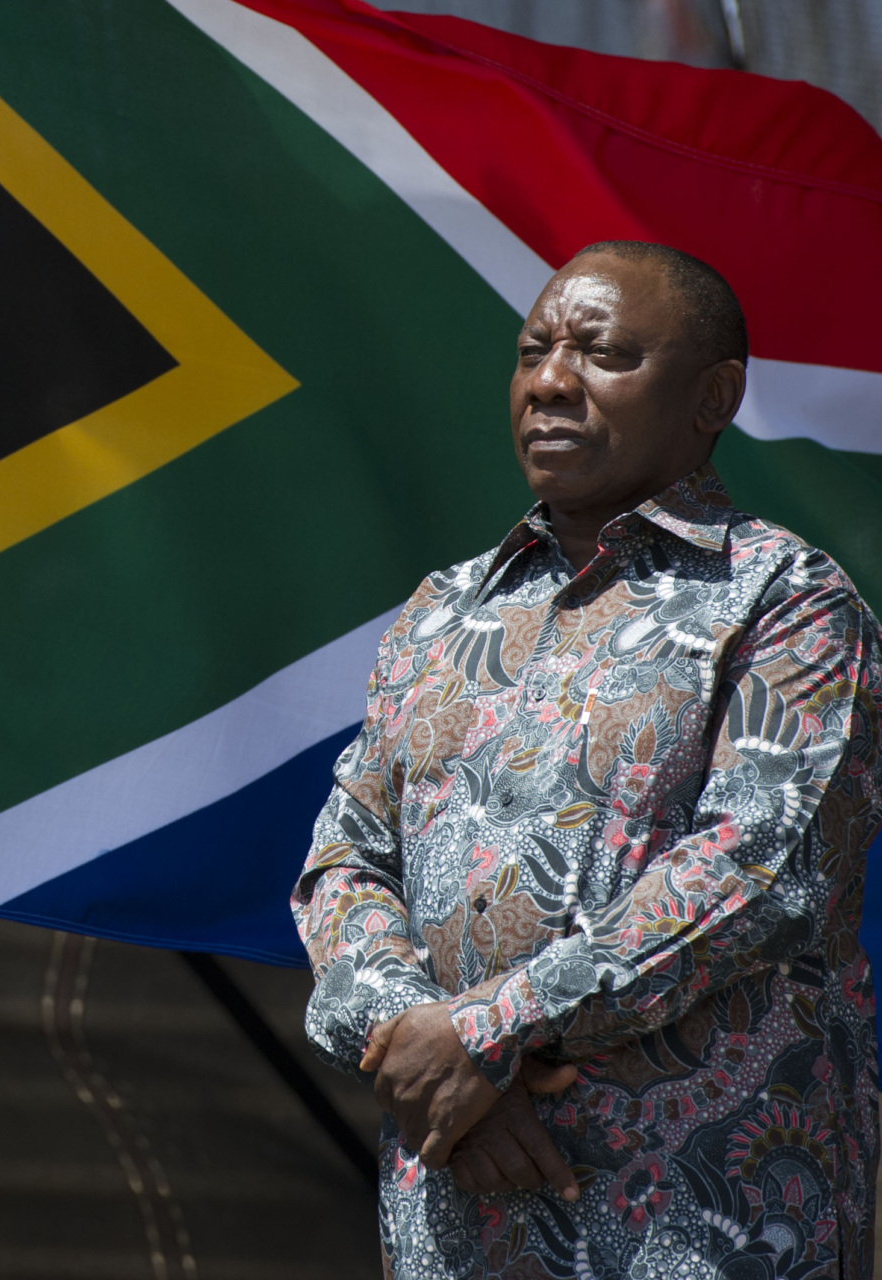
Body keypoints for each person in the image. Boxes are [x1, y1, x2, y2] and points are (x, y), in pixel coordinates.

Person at [293, 241, 882, 1277]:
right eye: (534, 351)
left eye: (602, 353)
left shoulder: (786, 601)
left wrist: (487, 1030)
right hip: (459, 1201)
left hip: (702, 1212)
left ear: (714, 395)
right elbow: (344, 861)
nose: (552, 380)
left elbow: (755, 875)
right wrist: (421, 1051)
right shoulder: (444, 610)